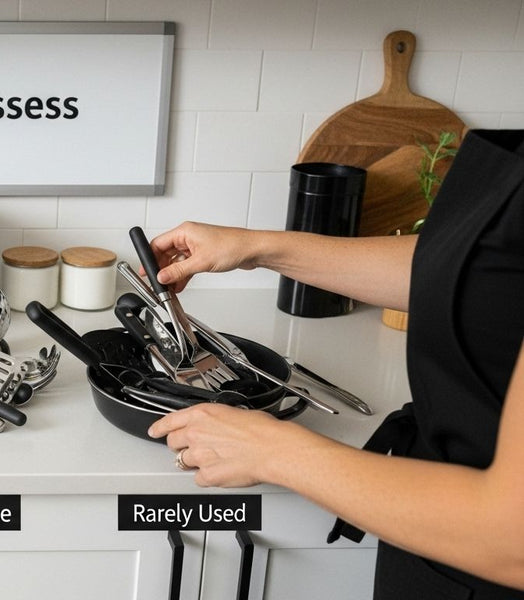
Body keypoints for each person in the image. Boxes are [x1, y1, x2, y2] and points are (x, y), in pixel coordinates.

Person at [145, 128, 524, 599]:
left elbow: (512, 537)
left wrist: (272, 450)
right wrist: (259, 248)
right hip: (427, 538)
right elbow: (476, 275)